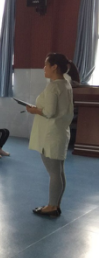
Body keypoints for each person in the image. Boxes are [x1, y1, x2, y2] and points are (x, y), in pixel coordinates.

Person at [27, 53, 78, 217]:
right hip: (60, 132)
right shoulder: (66, 83)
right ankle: (56, 204)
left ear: (54, 67)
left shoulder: (54, 86)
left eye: (46, 65)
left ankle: (52, 206)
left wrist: (34, 110)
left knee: (54, 173)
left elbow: (49, 112)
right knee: (58, 171)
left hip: (51, 134)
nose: (44, 68)